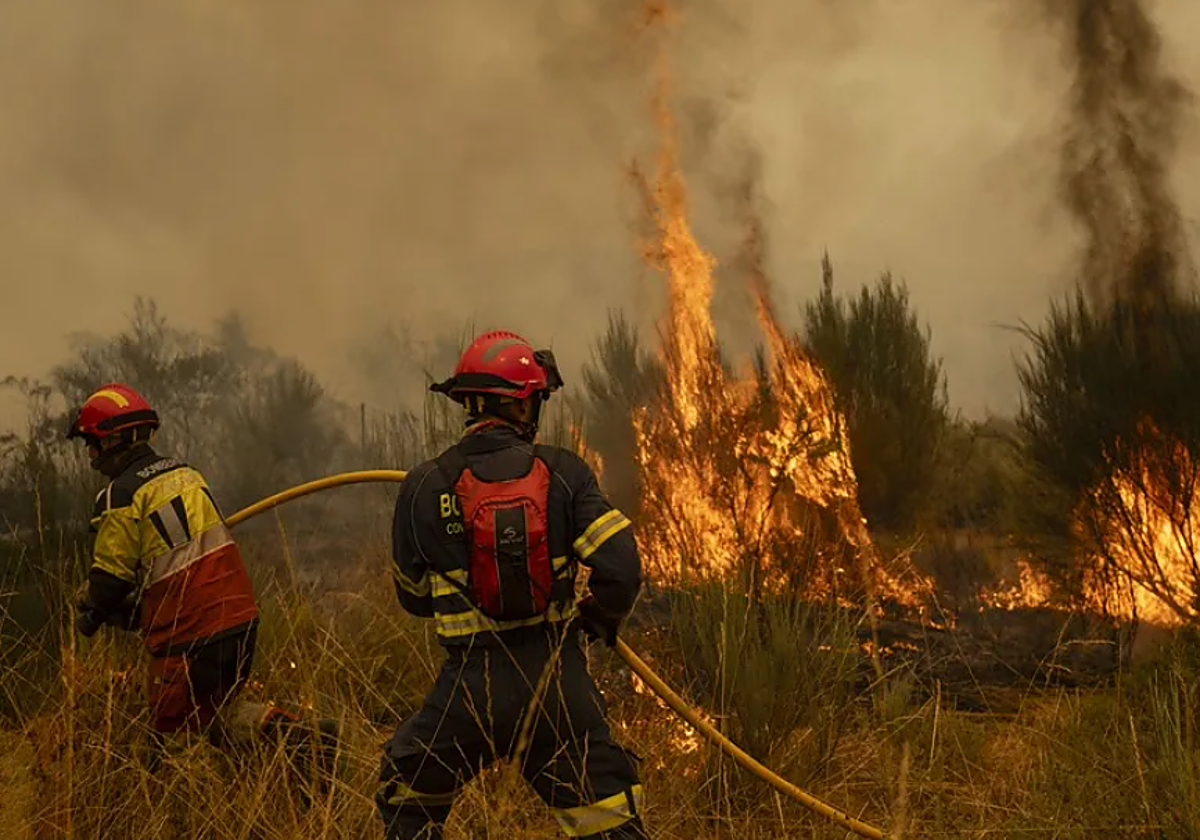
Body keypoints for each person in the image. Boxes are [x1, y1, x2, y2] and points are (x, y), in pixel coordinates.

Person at [377, 330, 648, 840]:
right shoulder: (564, 473)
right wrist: (598, 618)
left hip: (467, 691)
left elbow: (412, 598)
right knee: (610, 823)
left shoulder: (424, 485)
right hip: (558, 687)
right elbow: (622, 569)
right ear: (522, 404)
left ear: (469, 403)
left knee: (408, 796)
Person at [67, 382, 307, 750]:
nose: (90, 454)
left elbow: (112, 578)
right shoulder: (187, 474)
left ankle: (173, 789)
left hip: (191, 634)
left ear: (114, 440)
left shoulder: (120, 495)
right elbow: (176, 564)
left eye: (91, 442)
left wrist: (90, 611)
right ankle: (308, 741)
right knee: (218, 715)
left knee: (173, 737)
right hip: (239, 622)